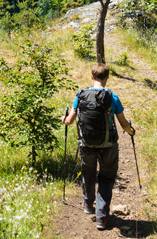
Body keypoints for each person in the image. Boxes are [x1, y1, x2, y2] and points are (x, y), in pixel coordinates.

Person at [62, 63, 135, 231]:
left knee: (88, 173)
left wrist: (63, 118)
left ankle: (88, 205)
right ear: (107, 77)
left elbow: (69, 120)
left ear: (91, 76)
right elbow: (123, 124)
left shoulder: (80, 95)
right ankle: (101, 217)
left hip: (86, 145)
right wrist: (131, 132)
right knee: (106, 179)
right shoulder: (112, 97)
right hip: (108, 146)